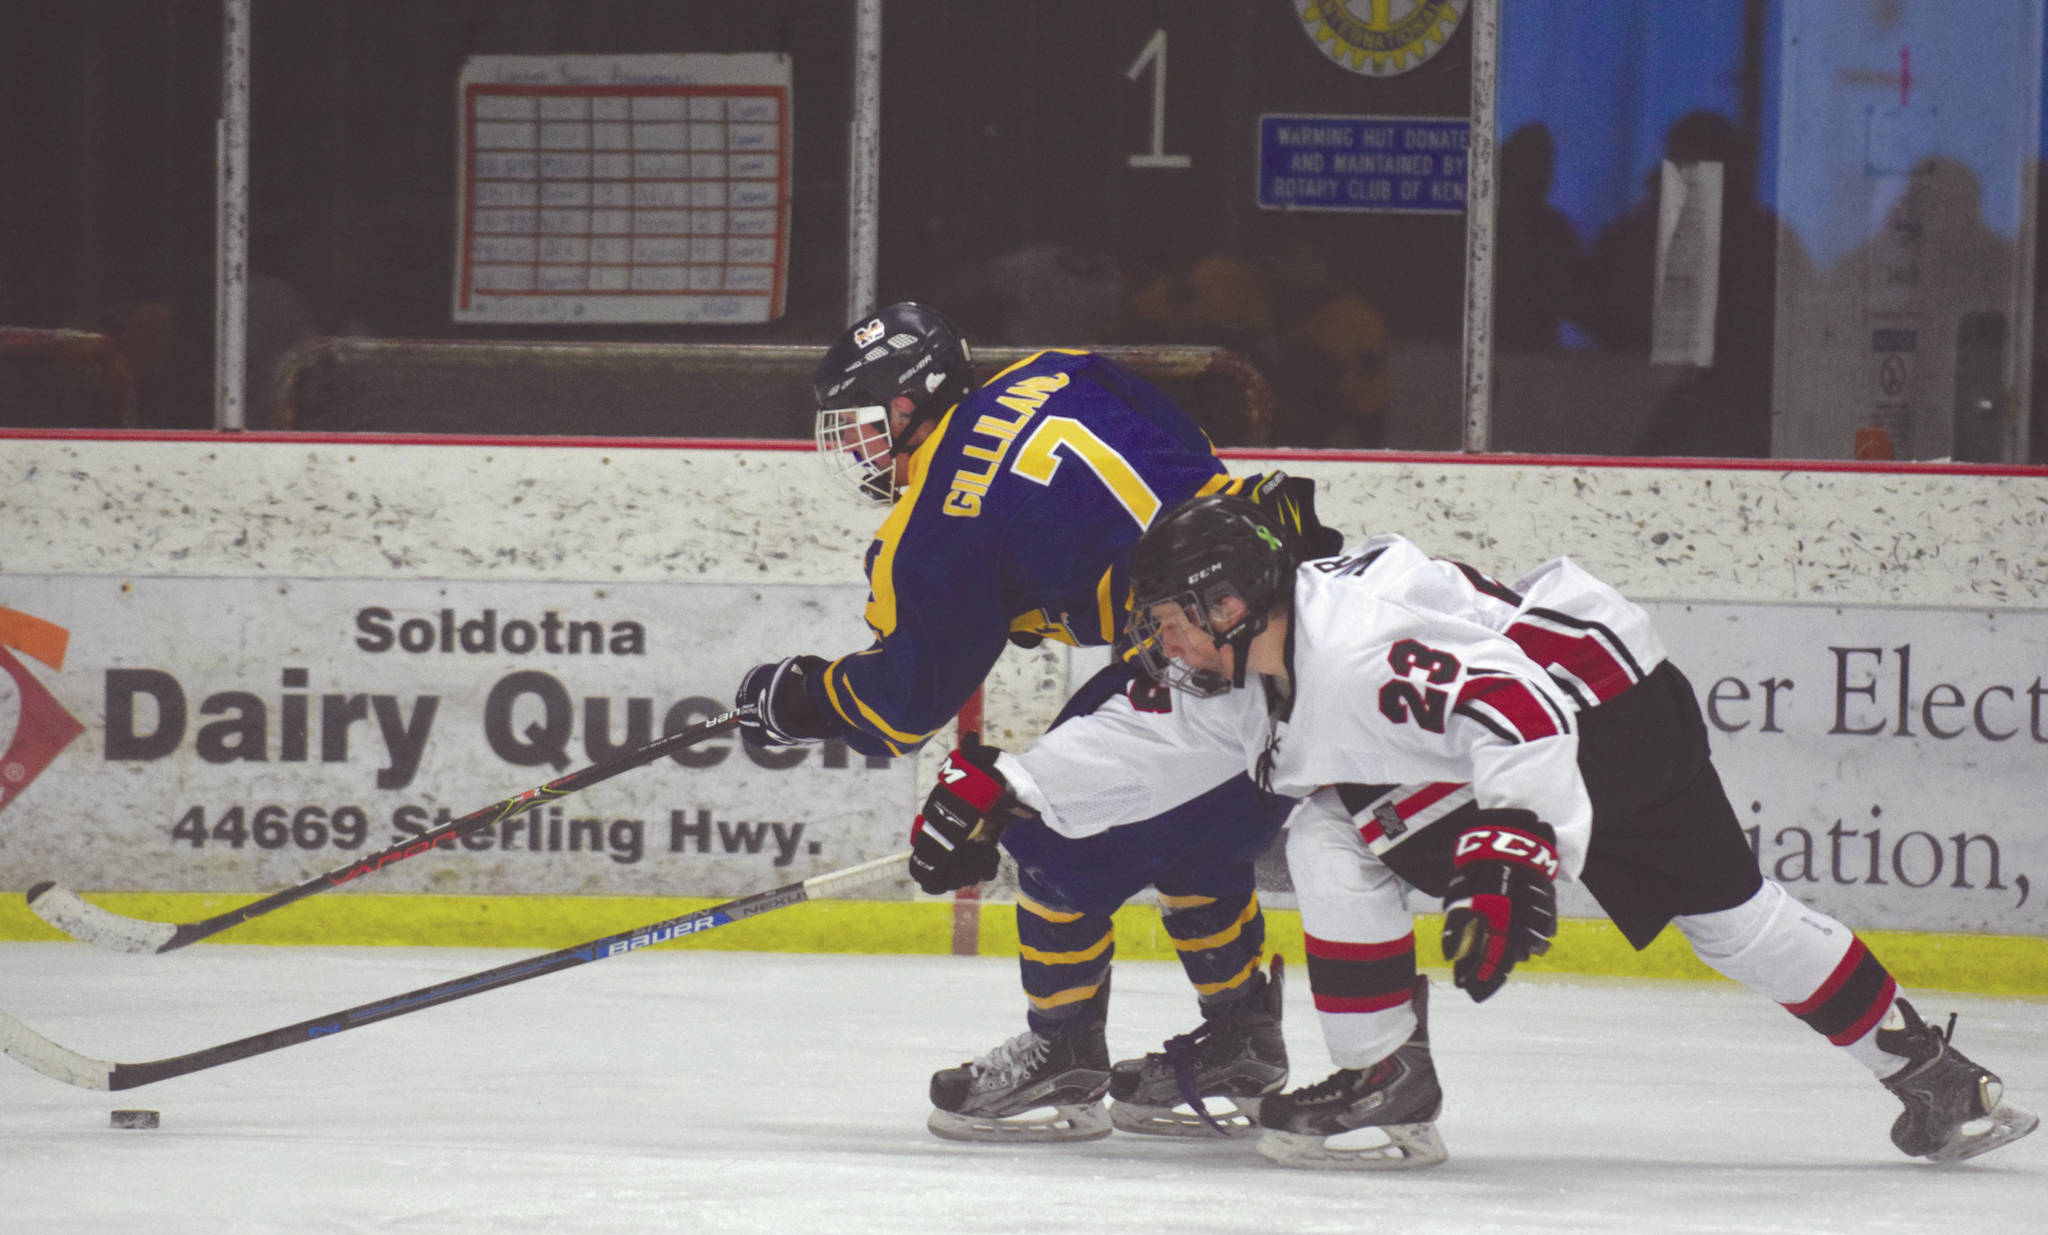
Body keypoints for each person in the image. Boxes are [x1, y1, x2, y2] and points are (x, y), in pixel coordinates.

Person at [907, 495, 2040, 1170]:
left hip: (1568, 722)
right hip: (1627, 699)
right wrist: (1010, 787)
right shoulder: (1260, 656)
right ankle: (1936, 1080)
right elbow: (1154, 746)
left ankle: (1383, 1083)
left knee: (1333, 836)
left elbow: (1507, 704)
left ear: (1223, 605)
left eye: (1164, 620)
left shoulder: (1345, 650)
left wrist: (1515, 836)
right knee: (1737, 922)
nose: (1156, 643)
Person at [735, 302, 1342, 1143]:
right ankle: (1240, 1032)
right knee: (1199, 828)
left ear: (910, 405)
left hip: (1203, 654)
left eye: (865, 426)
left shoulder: (938, 517)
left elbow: (902, 705)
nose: (857, 449)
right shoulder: (1056, 366)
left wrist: (802, 697)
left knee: (1043, 820)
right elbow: (1184, 448)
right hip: (1290, 605)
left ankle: (1064, 1045)